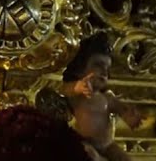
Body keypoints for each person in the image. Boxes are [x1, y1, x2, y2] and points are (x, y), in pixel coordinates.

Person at [61, 33, 142, 161]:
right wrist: (77, 86)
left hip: (108, 144)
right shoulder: (79, 95)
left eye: (107, 68)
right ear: (79, 68)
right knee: (89, 154)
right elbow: (64, 90)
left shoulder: (106, 98)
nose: (104, 72)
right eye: (98, 65)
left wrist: (129, 115)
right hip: (85, 142)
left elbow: (121, 108)